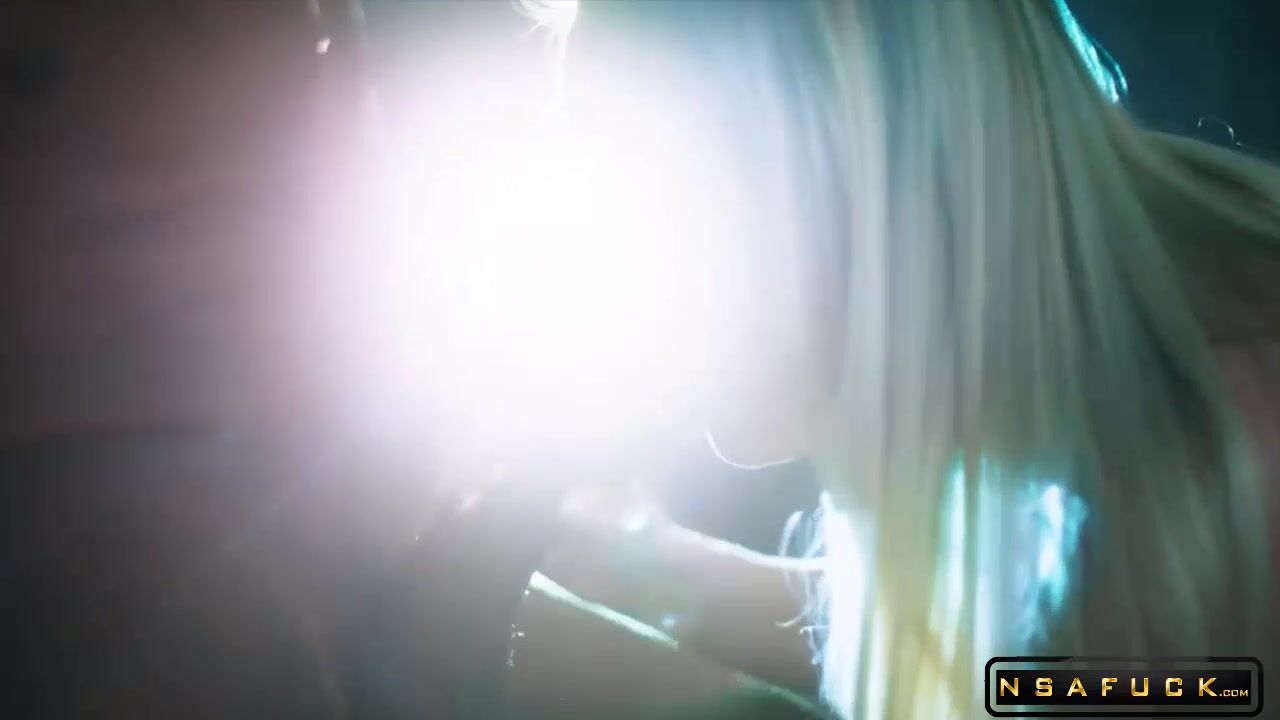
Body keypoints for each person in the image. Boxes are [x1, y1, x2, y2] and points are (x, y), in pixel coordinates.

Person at [477, 1, 1280, 719]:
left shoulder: (1233, 459)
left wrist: (505, 647)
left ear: (829, 167)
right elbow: (1018, 657)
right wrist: (648, 568)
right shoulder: (1054, 408)